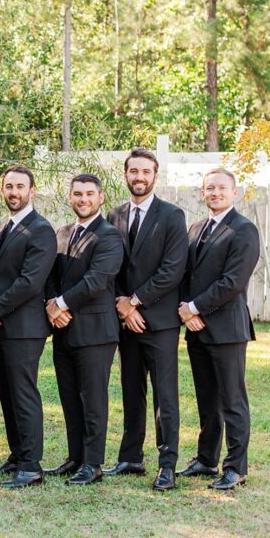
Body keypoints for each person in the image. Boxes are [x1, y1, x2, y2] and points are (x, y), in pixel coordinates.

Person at [104, 148, 188, 491]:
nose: (139, 177)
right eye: (133, 171)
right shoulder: (114, 215)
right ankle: (131, 456)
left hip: (160, 321)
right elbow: (110, 266)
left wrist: (136, 302)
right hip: (126, 321)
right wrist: (122, 306)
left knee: (165, 396)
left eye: (145, 171)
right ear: (126, 175)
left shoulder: (172, 215)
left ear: (155, 175)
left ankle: (167, 464)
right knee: (130, 390)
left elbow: (173, 269)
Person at [177, 167, 260, 491]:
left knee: (232, 400)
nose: (215, 193)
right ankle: (206, 459)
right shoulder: (196, 228)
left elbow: (233, 282)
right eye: (209, 188)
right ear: (203, 193)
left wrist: (194, 308)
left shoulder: (244, 230)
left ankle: (236, 467)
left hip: (227, 330)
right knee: (207, 399)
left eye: (221, 188)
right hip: (196, 329)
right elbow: (184, 275)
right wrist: (186, 310)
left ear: (233, 192)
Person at [0, 166, 56, 489]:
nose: (13, 191)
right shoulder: (3, 231)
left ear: (32, 191)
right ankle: (18, 452)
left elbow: (29, 282)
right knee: (8, 393)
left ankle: (31, 465)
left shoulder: (40, 230)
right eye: (8, 186)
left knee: (24, 394)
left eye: (20, 186)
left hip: (25, 327)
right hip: (1, 327)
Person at [44, 173, 124, 486]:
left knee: (92, 399)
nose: (83, 199)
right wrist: (52, 302)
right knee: (69, 397)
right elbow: (50, 275)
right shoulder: (62, 233)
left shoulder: (109, 236)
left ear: (100, 198)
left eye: (89, 194)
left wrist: (60, 304)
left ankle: (93, 464)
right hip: (63, 331)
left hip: (95, 332)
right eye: (78, 194)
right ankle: (75, 457)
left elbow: (97, 280)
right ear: (70, 197)